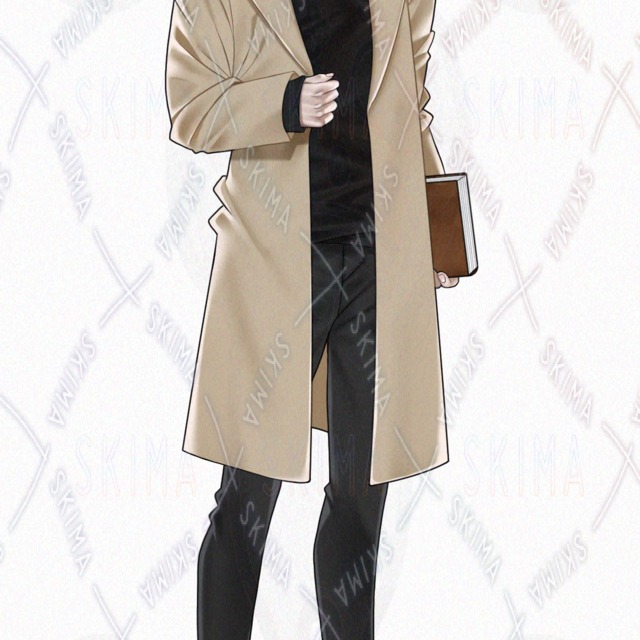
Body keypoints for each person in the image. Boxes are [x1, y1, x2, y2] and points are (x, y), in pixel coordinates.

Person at [165, 0, 457, 636]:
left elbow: (413, 102)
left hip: (378, 263)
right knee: (246, 500)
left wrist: (438, 233)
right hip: (275, 265)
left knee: (361, 498)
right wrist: (284, 103)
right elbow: (190, 106)